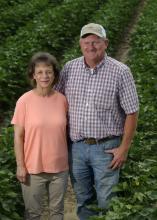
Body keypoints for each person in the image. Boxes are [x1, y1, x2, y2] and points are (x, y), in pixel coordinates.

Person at [56, 23, 139, 220]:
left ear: (106, 43)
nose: (91, 46)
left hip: (107, 148)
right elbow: (55, 100)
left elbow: (132, 112)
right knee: (83, 199)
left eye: (96, 42)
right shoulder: (70, 68)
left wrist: (124, 148)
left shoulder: (120, 72)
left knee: (107, 201)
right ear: (80, 44)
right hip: (76, 147)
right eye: (86, 41)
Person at [11, 52, 69, 220]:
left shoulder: (62, 100)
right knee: (33, 214)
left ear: (54, 74)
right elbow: (18, 137)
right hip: (32, 169)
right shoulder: (24, 101)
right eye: (40, 72)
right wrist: (20, 166)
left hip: (59, 169)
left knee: (57, 212)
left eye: (49, 71)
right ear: (33, 75)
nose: (45, 76)